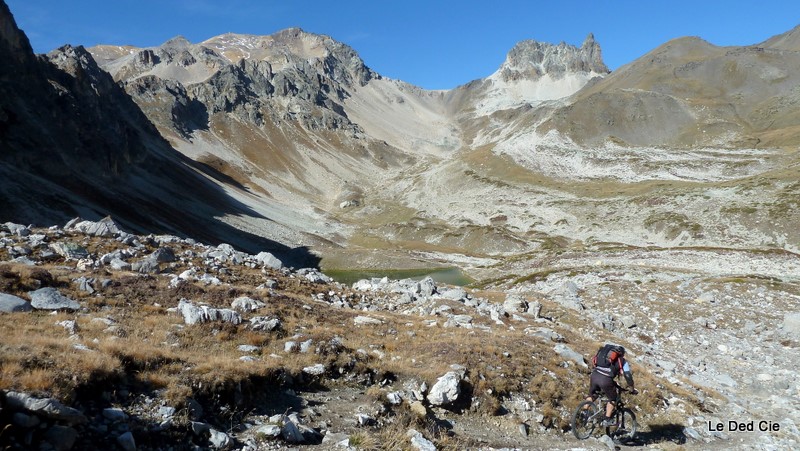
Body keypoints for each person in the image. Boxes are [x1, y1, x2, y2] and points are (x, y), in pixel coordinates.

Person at [587, 344, 637, 426]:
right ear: (621, 354)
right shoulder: (622, 361)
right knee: (613, 399)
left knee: (592, 395)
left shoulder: (602, 358)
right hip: (606, 380)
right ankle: (607, 420)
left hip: (594, 375)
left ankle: (584, 413)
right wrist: (632, 389)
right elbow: (628, 376)